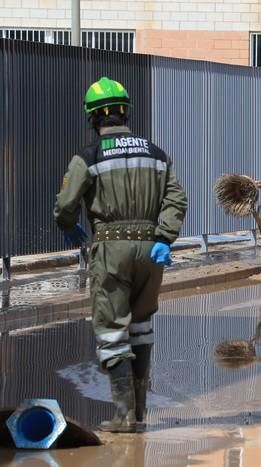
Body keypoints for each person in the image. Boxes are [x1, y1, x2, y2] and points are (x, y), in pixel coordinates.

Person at [54, 76, 188, 432]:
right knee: (141, 328)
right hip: (151, 250)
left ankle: (124, 416)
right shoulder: (157, 154)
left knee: (112, 331)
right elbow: (176, 199)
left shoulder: (89, 156)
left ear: (93, 117)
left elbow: (66, 205)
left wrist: (67, 224)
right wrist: (164, 237)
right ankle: (141, 413)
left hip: (111, 249)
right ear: (126, 111)